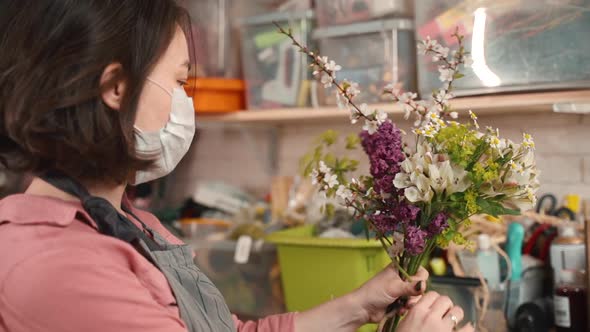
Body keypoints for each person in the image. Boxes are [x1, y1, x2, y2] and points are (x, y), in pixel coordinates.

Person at [0, 1, 474, 332]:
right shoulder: (60, 265)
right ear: (116, 88)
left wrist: (354, 308)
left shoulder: (127, 221)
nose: (187, 104)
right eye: (179, 81)